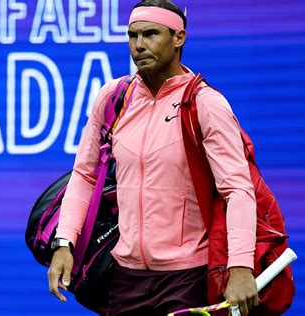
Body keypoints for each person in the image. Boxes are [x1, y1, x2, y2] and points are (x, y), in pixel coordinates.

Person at [47, 1, 258, 315]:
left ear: (179, 38)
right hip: (125, 278)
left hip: (187, 278)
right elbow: (85, 176)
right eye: (132, 36)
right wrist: (64, 243)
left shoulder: (206, 104)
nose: (139, 45)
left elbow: (237, 189)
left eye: (150, 34)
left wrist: (241, 265)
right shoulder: (113, 98)